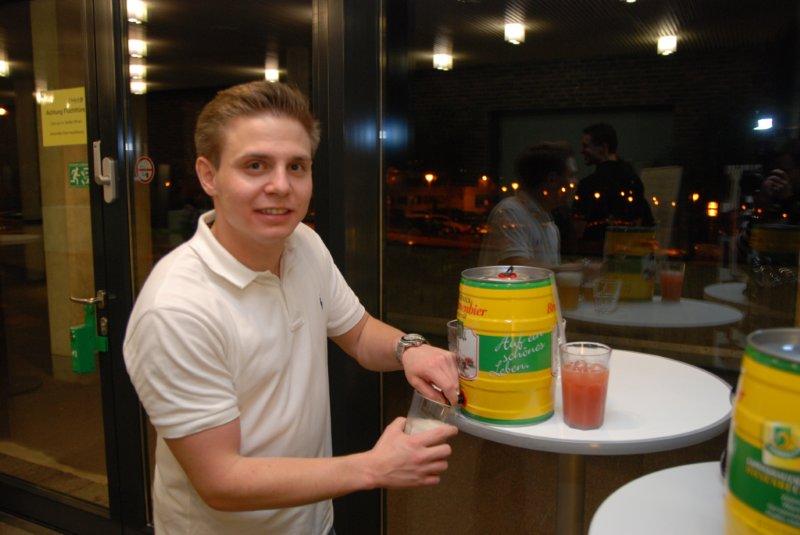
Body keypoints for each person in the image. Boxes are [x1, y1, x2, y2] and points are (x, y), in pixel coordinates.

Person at [123, 81, 459, 534]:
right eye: (255, 165)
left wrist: (410, 349)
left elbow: (358, 332)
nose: (281, 186)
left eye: (296, 166)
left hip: (312, 522)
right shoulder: (176, 309)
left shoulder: (303, 243)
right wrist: (372, 468)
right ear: (208, 175)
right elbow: (220, 480)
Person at [478, 142, 574, 268]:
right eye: (571, 176)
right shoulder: (510, 212)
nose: (574, 182)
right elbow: (518, 269)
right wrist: (578, 271)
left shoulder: (548, 223)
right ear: (552, 180)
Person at [572, 123, 655, 254]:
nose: (582, 151)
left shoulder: (589, 185)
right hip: (631, 253)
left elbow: (578, 230)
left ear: (604, 147)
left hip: (596, 255)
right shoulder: (633, 179)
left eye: (586, 146)